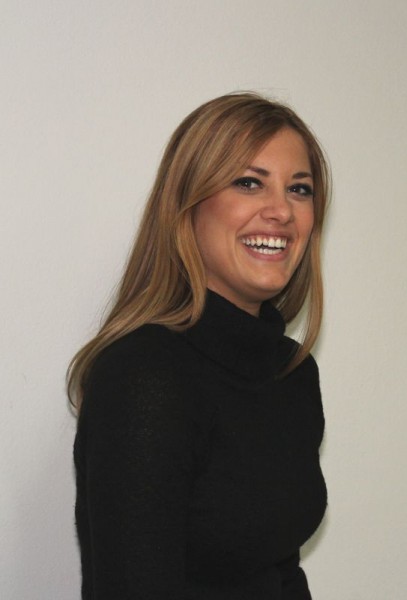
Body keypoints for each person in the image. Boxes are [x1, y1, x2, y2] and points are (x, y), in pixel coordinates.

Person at [68, 92, 330, 600]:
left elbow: (281, 572)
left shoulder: (292, 371)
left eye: (299, 189)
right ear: (187, 205)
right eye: (249, 182)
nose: (281, 210)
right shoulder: (143, 375)